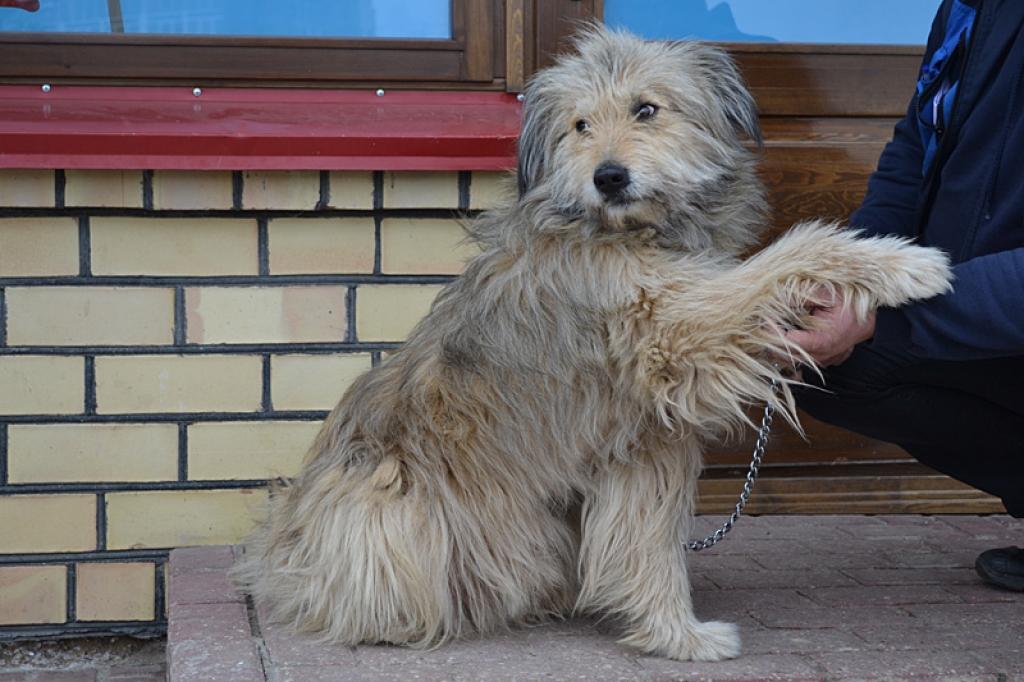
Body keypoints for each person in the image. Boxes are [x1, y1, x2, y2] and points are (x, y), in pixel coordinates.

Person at [785, 0, 1024, 592]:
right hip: (989, 307)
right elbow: (914, 151)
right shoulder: (970, 8)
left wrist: (882, 315)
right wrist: (850, 280)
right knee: (821, 363)